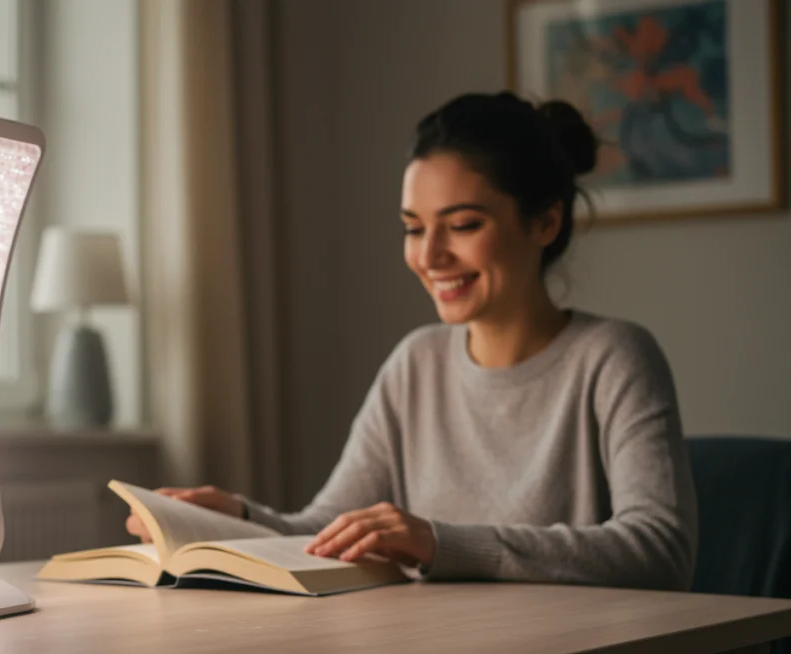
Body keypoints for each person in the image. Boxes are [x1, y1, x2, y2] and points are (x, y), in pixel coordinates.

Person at [126, 90, 699, 591]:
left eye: (464, 225)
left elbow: (660, 549)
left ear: (545, 222)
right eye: (413, 228)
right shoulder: (416, 362)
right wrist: (237, 516)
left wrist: (440, 543)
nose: (429, 256)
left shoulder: (614, 357)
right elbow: (329, 528)